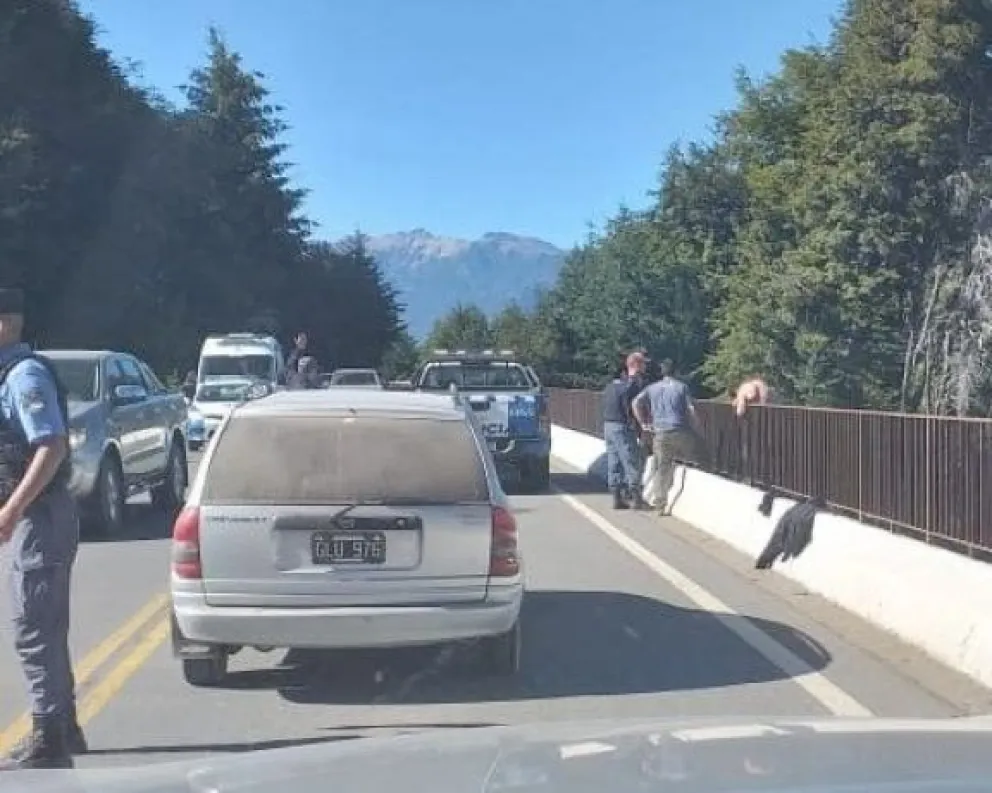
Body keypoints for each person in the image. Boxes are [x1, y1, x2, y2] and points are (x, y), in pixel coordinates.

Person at [0, 289, 85, 770]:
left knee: (33, 626)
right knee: (47, 624)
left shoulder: (23, 375)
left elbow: (49, 446)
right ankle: (64, 725)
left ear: (5, 325)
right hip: (39, 514)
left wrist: (11, 510)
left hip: (41, 516)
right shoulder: (10, 374)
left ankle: (47, 738)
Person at [631, 358, 703, 516]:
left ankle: (660, 504)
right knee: (697, 456)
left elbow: (635, 402)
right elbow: (691, 410)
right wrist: (698, 429)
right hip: (680, 431)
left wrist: (643, 422)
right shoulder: (681, 387)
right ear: (676, 372)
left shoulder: (652, 388)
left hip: (661, 432)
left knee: (661, 467)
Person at [600, 351, 647, 510]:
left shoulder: (610, 386)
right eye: (643, 364)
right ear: (636, 365)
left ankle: (616, 496)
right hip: (622, 426)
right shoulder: (632, 384)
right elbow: (635, 404)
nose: (645, 367)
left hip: (608, 425)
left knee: (614, 461)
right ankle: (636, 497)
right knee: (630, 459)